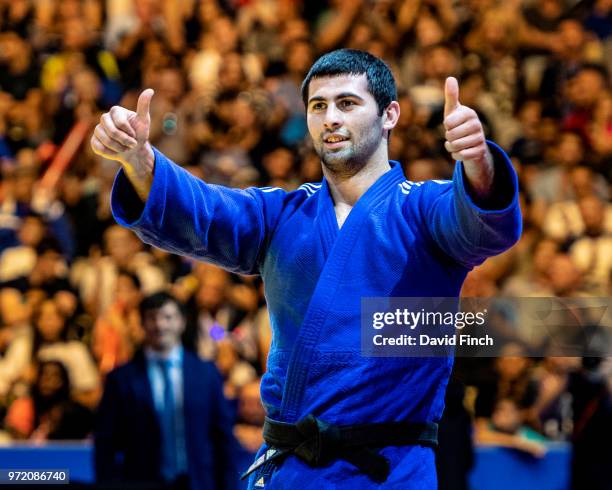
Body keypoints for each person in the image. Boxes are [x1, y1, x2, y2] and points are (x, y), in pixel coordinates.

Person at [91, 49, 521, 489]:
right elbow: (203, 212)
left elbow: (482, 226)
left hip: (389, 472)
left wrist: (477, 163)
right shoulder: (279, 214)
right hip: (290, 470)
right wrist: (139, 161)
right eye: (319, 106)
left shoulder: (424, 210)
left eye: (347, 103)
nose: (330, 118)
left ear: (389, 115)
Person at [94, 292, 239, 490]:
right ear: (142, 324)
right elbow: (105, 442)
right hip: (141, 482)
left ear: (182, 322)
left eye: (168, 317)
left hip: (198, 482)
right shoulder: (121, 379)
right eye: (152, 318)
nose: (160, 325)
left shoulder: (207, 373)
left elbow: (223, 439)